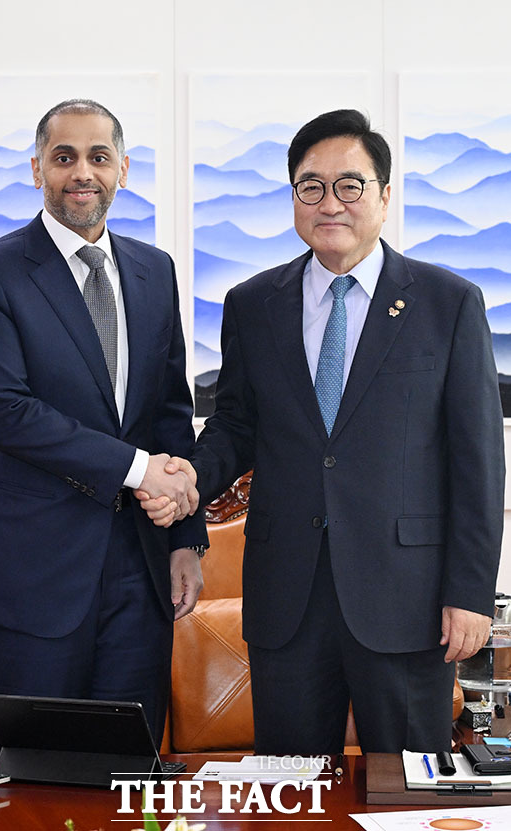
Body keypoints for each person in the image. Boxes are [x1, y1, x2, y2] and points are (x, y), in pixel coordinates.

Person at [138, 109, 505, 754]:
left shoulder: (447, 302)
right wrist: (191, 475)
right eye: (311, 187)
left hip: (407, 599)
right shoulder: (253, 304)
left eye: (349, 185)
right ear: (293, 199)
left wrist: (470, 593)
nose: (330, 203)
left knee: (408, 787)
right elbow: (237, 425)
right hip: (288, 597)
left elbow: (478, 461)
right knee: (290, 788)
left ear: (384, 197)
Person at [0, 99, 207, 748]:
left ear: (123, 169)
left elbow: (169, 413)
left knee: (128, 774)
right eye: (64, 157)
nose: (82, 172)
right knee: (38, 776)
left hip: (139, 572)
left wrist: (185, 540)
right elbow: (6, 412)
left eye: (98, 157)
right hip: (29, 574)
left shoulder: (154, 271)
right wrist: (141, 469)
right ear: (38, 169)